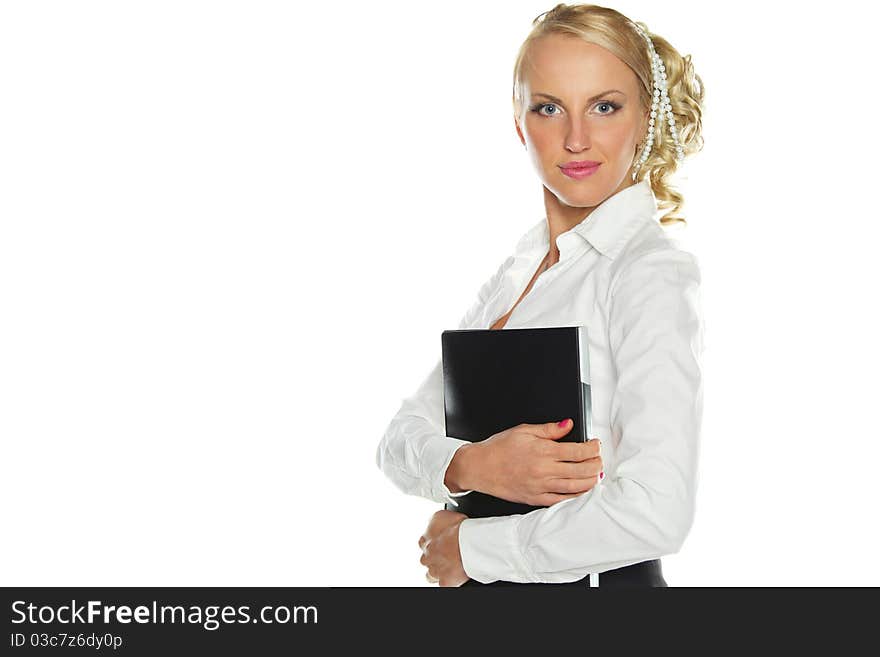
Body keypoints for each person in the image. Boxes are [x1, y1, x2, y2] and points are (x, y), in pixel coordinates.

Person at [376, 2, 705, 588]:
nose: (576, 138)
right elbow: (399, 439)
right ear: (518, 121)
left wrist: (472, 549)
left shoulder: (646, 272)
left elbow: (658, 509)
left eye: (605, 107)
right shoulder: (520, 271)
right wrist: (470, 464)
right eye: (549, 108)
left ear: (646, 115)